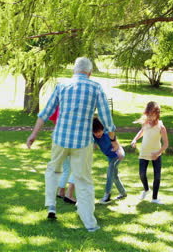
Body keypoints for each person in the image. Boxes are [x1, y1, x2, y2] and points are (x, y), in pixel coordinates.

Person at [26, 57, 118, 232]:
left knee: (53, 170)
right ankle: (90, 223)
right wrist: (113, 140)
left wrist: (33, 134)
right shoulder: (95, 87)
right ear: (89, 73)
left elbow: (45, 113)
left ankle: (51, 205)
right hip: (82, 142)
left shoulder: (62, 86)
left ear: (74, 71)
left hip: (60, 137)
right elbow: (106, 118)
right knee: (83, 179)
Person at [131, 101, 169, 204]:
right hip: (144, 153)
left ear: (157, 114)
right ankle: (146, 190)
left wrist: (158, 153)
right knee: (142, 174)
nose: (150, 117)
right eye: (148, 115)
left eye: (152, 115)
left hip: (156, 155)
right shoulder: (145, 123)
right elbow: (141, 131)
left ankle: (155, 198)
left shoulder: (161, 127)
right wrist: (135, 139)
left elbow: (166, 144)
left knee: (157, 176)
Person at [92, 117, 127, 204]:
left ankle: (107, 195)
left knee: (109, 173)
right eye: (95, 132)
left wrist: (120, 153)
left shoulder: (108, 134)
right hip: (110, 157)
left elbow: (117, 144)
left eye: (99, 131)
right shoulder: (94, 137)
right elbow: (93, 145)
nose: (98, 134)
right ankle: (123, 193)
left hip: (118, 155)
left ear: (102, 129)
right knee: (114, 176)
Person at [49, 107, 76, 205]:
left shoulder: (58, 106)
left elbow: (53, 120)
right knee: (77, 168)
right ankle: (69, 194)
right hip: (69, 140)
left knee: (67, 169)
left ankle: (61, 191)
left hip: (57, 139)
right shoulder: (71, 108)